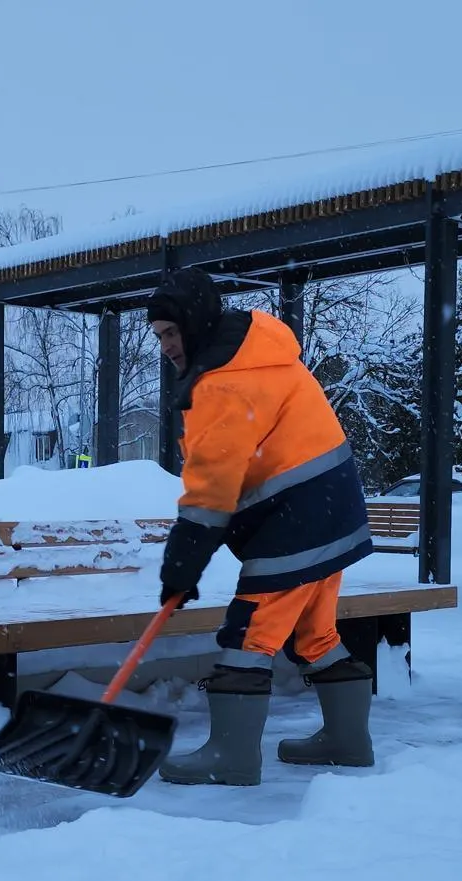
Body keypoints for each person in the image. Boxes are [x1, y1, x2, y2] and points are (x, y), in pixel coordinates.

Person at [146, 267, 377, 787]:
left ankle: (232, 757)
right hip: (332, 512)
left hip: (296, 519)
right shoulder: (258, 352)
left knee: (247, 632)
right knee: (315, 634)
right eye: (159, 336)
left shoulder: (224, 382)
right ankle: (348, 740)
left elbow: (212, 485)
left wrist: (182, 563)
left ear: (194, 321)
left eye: (170, 332)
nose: (165, 346)